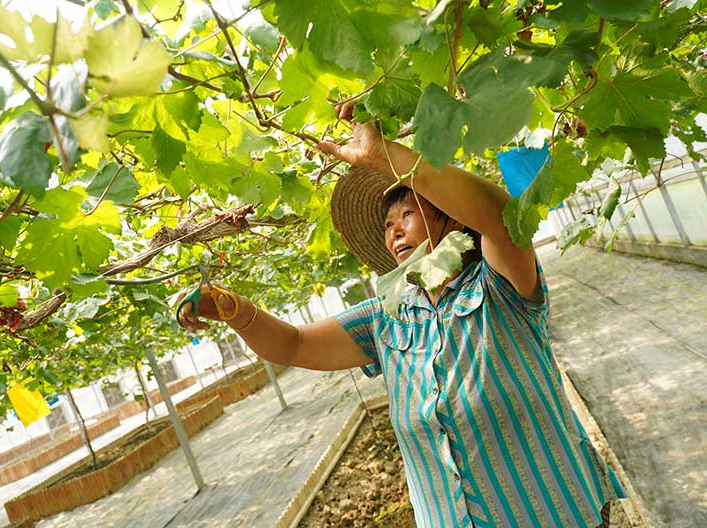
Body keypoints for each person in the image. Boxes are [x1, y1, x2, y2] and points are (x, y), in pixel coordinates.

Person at [176, 102, 626, 527]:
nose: (393, 233)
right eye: (387, 227)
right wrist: (230, 308)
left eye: (406, 216)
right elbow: (293, 345)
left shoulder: (498, 286)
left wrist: (387, 156)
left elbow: (504, 221)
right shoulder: (385, 317)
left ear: (451, 219)